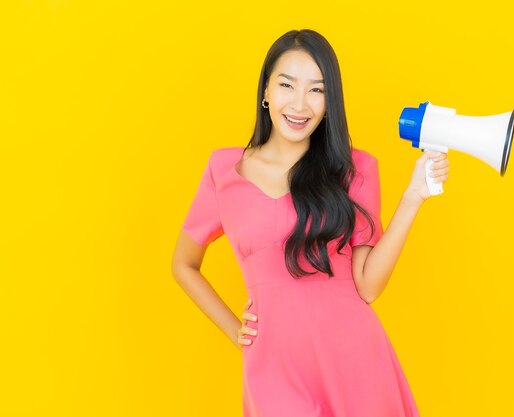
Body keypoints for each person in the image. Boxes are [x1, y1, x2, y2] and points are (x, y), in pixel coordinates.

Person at [171, 29, 449, 417]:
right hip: (272, 366)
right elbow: (183, 264)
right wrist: (235, 329)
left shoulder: (356, 169)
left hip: (354, 359)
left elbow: (368, 286)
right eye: (287, 85)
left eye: (316, 90)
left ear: (328, 102)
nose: (300, 104)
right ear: (265, 91)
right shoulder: (225, 170)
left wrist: (414, 195)